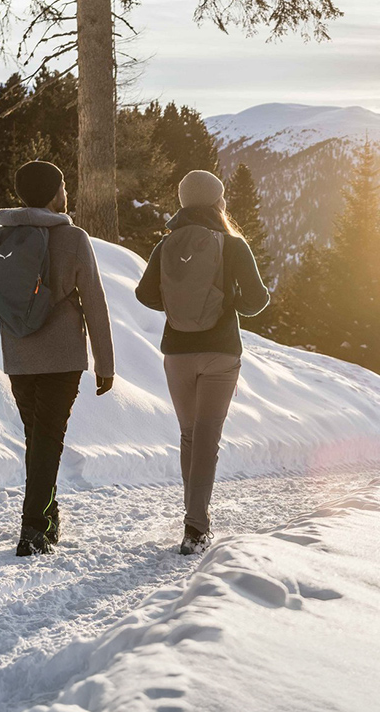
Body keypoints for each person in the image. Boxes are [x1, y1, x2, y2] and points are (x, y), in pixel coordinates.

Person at [0, 160, 115, 557]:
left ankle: (47, 517)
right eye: (63, 185)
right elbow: (96, 304)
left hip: (18, 358)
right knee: (47, 439)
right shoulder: (73, 239)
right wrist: (106, 364)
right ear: (54, 192)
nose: (66, 192)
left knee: (39, 438)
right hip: (63, 358)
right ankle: (33, 526)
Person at [135, 169, 269, 555]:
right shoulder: (232, 244)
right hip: (221, 351)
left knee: (190, 435)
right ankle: (196, 527)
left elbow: (145, 294)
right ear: (217, 201)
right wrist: (230, 304)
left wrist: (176, 305)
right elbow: (257, 300)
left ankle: (193, 518)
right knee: (207, 438)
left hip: (177, 352)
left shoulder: (166, 245)